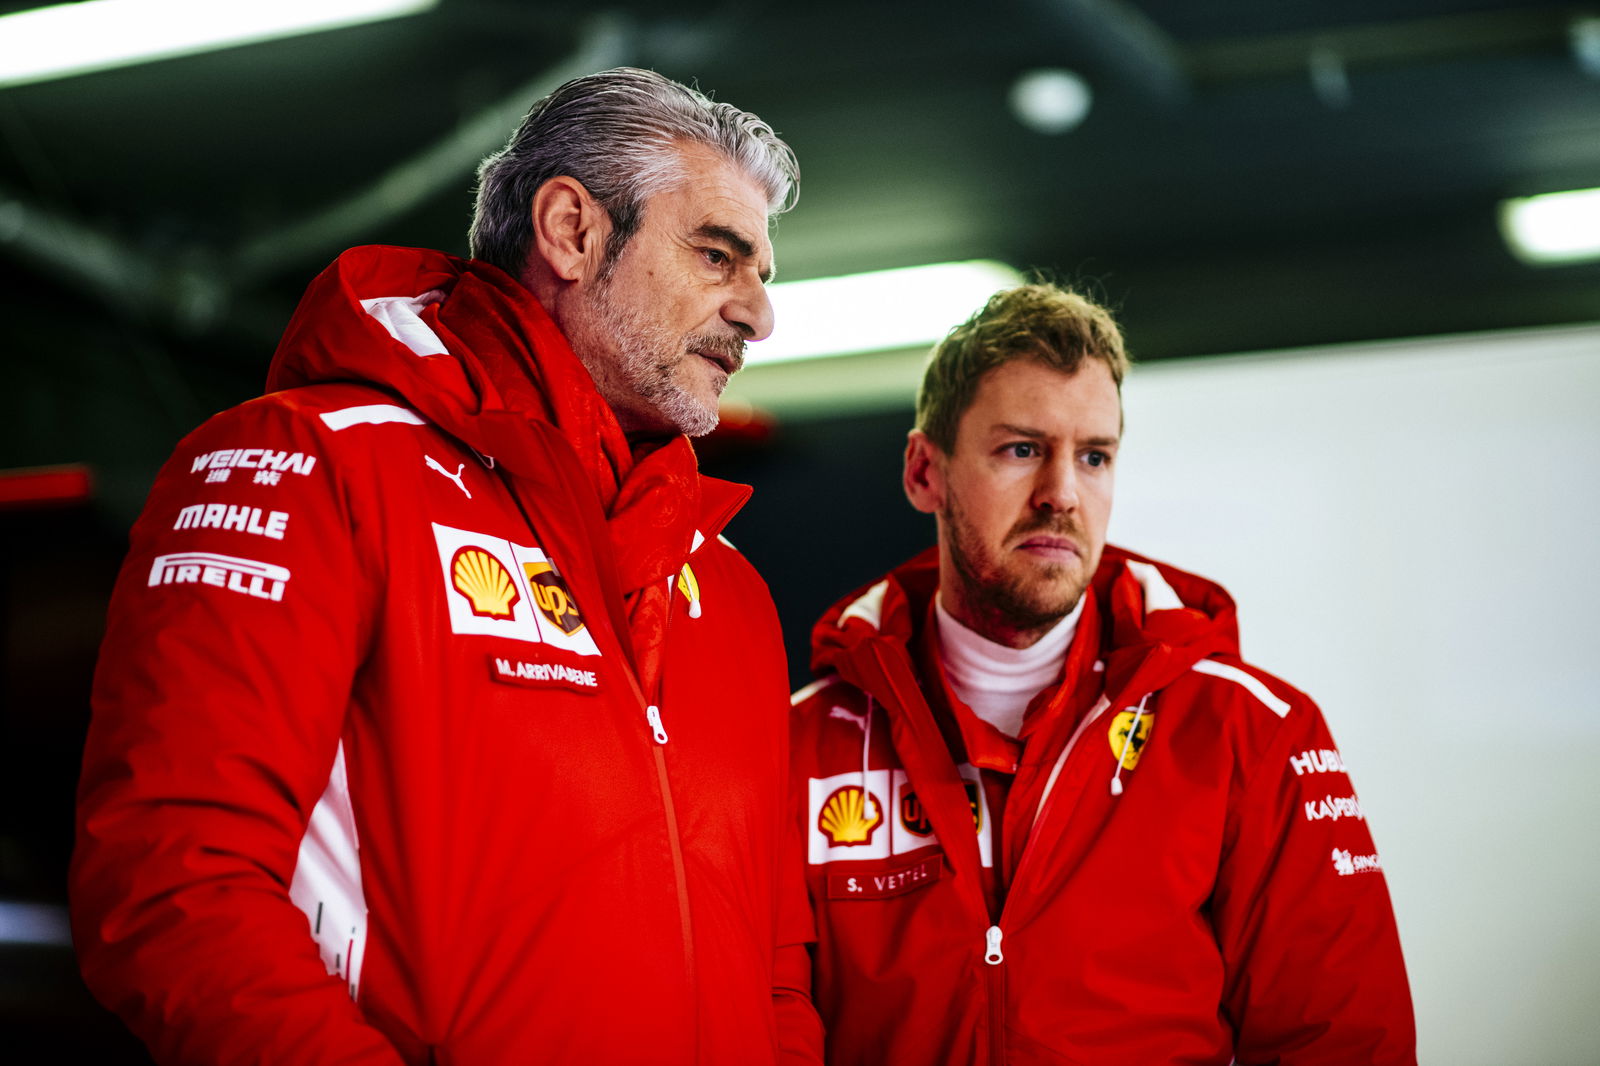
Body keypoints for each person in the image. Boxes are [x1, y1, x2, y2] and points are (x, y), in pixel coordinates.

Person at [72, 67, 823, 1064]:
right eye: (719, 255)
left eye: (761, 274)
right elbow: (171, 875)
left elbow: (773, 971)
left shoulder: (725, 587)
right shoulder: (314, 464)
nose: (756, 314)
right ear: (570, 230)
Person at [786, 284, 1416, 1064]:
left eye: (1094, 457)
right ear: (925, 473)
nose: (1062, 495)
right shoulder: (801, 744)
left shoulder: (1251, 733)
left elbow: (1342, 1041)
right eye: (1021, 449)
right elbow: (770, 1024)